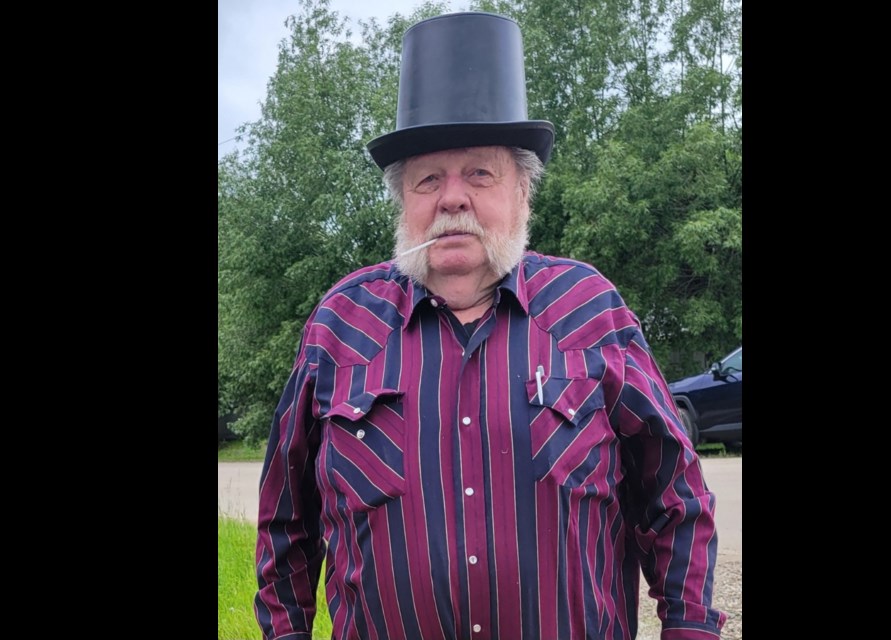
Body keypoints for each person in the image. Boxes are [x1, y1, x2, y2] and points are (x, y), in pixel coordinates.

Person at [255, 11, 726, 640]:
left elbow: (677, 498)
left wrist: (689, 628)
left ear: (523, 193)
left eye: (480, 173)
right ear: (405, 202)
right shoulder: (340, 324)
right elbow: (286, 522)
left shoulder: (590, 309)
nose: (453, 198)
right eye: (429, 179)